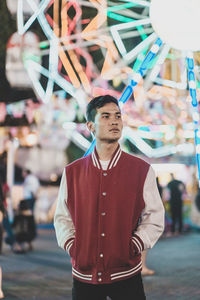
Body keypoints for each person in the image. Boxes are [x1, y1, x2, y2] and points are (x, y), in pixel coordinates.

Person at [54, 95, 165, 300]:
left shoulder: (141, 170)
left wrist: (135, 245)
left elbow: (155, 217)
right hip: (84, 276)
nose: (114, 121)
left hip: (127, 275)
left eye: (118, 116)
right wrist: (74, 247)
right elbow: (62, 218)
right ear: (91, 126)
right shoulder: (72, 172)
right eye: (105, 116)